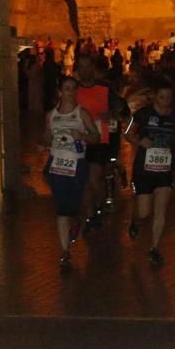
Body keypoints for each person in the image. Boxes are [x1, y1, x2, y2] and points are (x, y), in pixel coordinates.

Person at [42, 76, 101, 270]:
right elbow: (46, 137)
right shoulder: (51, 115)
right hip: (57, 163)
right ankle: (65, 251)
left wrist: (82, 135)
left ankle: (77, 220)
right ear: (60, 91)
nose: (70, 92)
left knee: (73, 205)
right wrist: (44, 142)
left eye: (73, 89)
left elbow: (96, 137)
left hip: (76, 164)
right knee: (61, 208)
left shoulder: (81, 113)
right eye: (66, 88)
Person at [125, 80, 175, 266]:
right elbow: (127, 132)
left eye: (168, 97)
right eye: (161, 97)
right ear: (154, 96)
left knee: (161, 210)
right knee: (144, 211)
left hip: (164, 170)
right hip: (144, 169)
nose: (165, 101)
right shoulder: (143, 114)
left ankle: (154, 249)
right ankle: (136, 220)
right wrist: (139, 141)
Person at [74, 54, 125, 232]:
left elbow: (119, 109)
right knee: (85, 181)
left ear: (92, 68)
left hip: (99, 141)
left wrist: (110, 114)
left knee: (94, 177)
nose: (84, 70)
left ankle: (97, 208)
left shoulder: (104, 89)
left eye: (87, 66)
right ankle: (91, 214)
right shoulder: (73, 90)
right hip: (79, 141)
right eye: (81, 66)